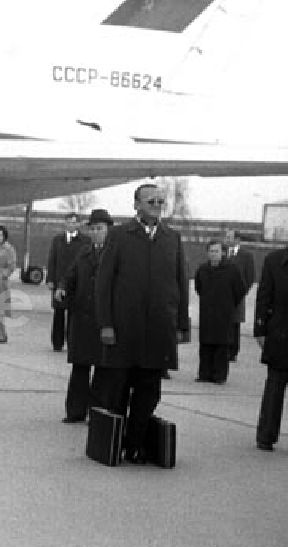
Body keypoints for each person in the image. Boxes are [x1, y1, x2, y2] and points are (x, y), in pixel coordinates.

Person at [95, 183, 189, 463]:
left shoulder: (172, 238)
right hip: (125, 328)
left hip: (159, 330)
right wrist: (106, 324)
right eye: (151, 201)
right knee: (119, 389)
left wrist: (181, 324)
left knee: (149, 392)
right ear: (136, 205)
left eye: (161, 201)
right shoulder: (119, 235)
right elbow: (103, 283)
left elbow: (180, 283)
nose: (157, 205)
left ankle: (135, 444)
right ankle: (116, 441)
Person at [56, 209, 112, 423]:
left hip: (103, 320)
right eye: (93, 229)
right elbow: (70, 276)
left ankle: (97, 412)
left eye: (100, 229)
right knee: (80, 368)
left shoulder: (115, 254)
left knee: (102, 370)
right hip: (82, 318)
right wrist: (62, 287)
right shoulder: (84, 252)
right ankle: (75, 411)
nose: (96, 232)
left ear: (108, 230)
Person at [194, 240, 247, 384]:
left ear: (223, 252)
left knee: (222, 344)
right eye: (211, 251)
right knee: (205, 344)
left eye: (216, 251)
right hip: (207, 313)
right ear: (207, 253)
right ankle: (204, 374)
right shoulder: (202, 269)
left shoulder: (232, 270)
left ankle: (219, 376)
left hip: (225, 313)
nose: (213, 254)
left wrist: (229, 303)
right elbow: (198, 288)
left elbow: (240, 290)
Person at [255, 244, 288, 451]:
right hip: (280, 336)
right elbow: (263, 297)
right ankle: (266, 435)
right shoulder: (274, 261)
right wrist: (260, 329)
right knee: (275, 388)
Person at [46, 212, 91, 352]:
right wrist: (50, 279)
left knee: (74, 314)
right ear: (65, 223)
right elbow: (52, 259)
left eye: (74, 222)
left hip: (76, 282)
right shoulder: (57, 240)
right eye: (69, 222)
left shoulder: (85, 240)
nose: (72, 224)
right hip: (59, 280)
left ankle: (72, 342)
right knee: (58, 312)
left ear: (79, 224)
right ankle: (57, 343)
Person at [224, 229, 255, 362]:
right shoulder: (223, 253)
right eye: (226, 237)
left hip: (237, 296)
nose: (226, 239)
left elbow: (250, 276)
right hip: (223, 296)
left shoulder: (246, 255)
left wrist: (241, 292)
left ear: (237, 239)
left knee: (235, 324)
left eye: (229, 237)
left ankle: (233, 352)